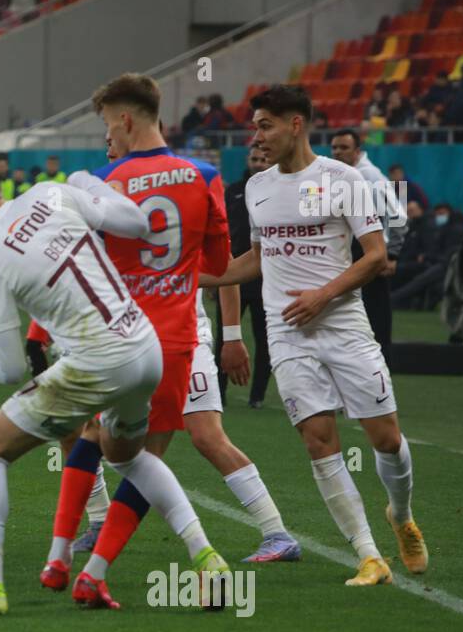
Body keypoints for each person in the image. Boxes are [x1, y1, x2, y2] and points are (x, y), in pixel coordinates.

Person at [0, 153, 219, 615]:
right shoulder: (51, 194)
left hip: (96, 362)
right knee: (128, 457)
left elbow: (13, 370)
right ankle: (207, 559)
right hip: (144, 346)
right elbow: (137, 222)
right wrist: (87, 182)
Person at [44, 73, 296, 580]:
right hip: (181, 339)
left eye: (107, 125)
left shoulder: (105, 184)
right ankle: (94, 567)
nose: (107, 137)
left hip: (120, 339)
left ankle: (66, 556)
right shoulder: (204, 175)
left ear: (125, 119)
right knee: (148, 455)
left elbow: (84, 265)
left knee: (92, 435)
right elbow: (222, 262)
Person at [202, 85, 428, 586]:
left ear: (295, 125)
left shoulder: (343, 179)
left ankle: (399, 513)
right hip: (287, 335)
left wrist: (322, 295)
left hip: (344, 325)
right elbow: (258, 258)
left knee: (386, 439)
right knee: (318, 439)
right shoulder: (258, 188)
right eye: (256, 126)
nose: (257, 136)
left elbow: (374, 256)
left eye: (265, 125)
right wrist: (195, 276)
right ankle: (369, 556)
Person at [329, 128, 406, 360]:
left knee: (375, 316)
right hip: (348, 253)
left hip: (371, 253)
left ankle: (381, 369)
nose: (338, 152)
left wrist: (392, 254)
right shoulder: (338, 175)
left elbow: (398, 216)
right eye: (335, 147)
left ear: (357, 151)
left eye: (344, 148)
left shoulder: (372, 177)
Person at [217, 146, 272, 406]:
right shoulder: (233, 190)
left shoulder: (277, 189)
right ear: (247, 160)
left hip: (264, 276)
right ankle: (219, 392)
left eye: (263, 159)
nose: (259, 163)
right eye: (255, 159)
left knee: (265, 338)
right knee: (225, 334)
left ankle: (257, 396)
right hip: (232, 273)